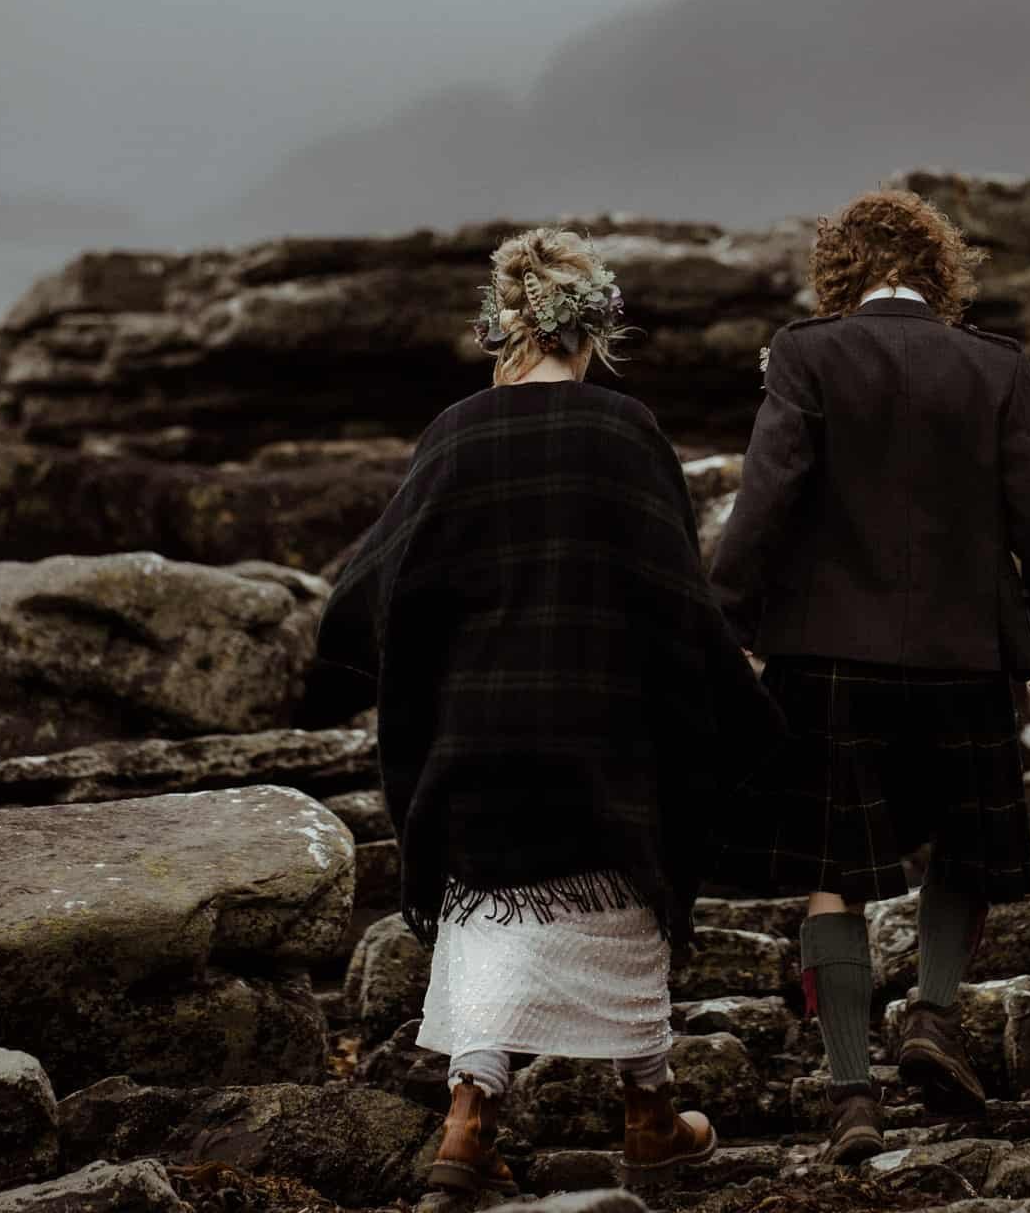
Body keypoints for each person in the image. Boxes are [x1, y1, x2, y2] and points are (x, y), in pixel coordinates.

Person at [309, 227, 783, 1196]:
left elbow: (365, 592)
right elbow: (670, 594)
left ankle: (467, 1122)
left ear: (502, 328)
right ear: (594, 327)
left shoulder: (451, 434)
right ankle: (648, 1113)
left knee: (488, 917)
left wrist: (356, 679)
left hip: (470, 741)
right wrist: (748, 708)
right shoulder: (623, 429)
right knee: (622, 899)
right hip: (603, 733)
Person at [709, 188, 1030, 1165]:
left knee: (830, 877)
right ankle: (930, 1013)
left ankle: (852, 1094)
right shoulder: (994, 366)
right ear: (940, 274)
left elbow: (765, 499)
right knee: (967, 846)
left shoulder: (806, 354)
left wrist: (723, 627)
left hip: (827, 657)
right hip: (965, 656)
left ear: (839, 274)